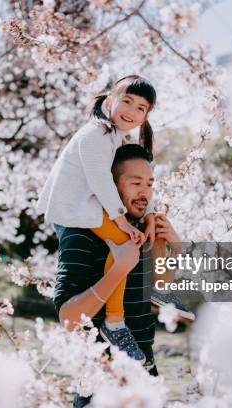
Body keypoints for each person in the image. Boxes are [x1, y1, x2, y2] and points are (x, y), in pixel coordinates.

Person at [52, 145, 192, 408]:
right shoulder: (80, 234)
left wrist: (176, 248)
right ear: (109, 187)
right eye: (134, 182)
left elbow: (158, 290)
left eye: (149, 183)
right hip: (100, 383)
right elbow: (69, 319)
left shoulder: (143, 230)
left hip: (144, 373)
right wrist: (119, 268)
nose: (145, 192)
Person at [37, 75, 161, 361]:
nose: (131, 111)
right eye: (126, 101)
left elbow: (138, 179)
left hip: (90, 209)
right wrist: (122, 221)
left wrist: (151, 213)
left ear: (146, 116)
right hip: (74, 211)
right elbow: (101, 182)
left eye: (141, 108)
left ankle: (135, 305)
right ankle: (114, 322)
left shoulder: (117, 137)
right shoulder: (97, 133)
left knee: (129, 241)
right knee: (125, 242)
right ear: (109, 102)